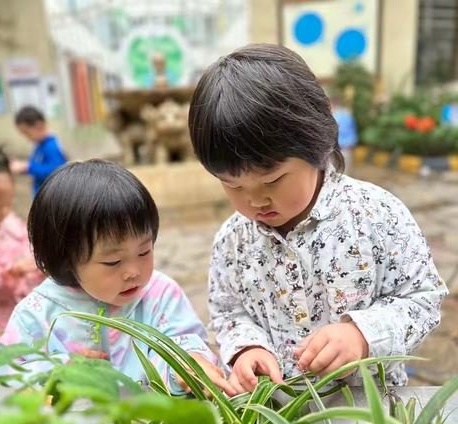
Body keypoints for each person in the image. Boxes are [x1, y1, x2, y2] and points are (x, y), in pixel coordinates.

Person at [188, 44, 448, 394]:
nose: (255, 199)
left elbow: (422, 298)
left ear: (317, 141)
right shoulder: (232, 241)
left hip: (370, 417)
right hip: (281, 418)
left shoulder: (375, 214)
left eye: (273, 180)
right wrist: (247, 348)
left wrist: (362, 334)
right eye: (232, 185)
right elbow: (229, 312)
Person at [0, 159, 235, 396]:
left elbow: (183, 339)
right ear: (66, 259)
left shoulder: (159, 294)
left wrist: (187, 364)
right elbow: (9, 375)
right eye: (113, 262)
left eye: (144, 251)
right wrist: (60, 370)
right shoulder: (38, 313)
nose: (134, 271)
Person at [0, 150, 42, 337]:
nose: (5, 211)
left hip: (26, 313)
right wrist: (9, 273)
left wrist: (40, 265)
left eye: (8, 203)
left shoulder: (11, 223)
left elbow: (31, 249)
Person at [11, 106, 67, 195]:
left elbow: (57, 172)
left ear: (39, 126)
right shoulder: (39, 146)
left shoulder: (51, 147)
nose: (27, 138)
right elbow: (37, 165)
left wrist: (28, 167)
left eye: (27, 133)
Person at [331, 93, 358, 174]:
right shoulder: (348, 115)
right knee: (344, 175)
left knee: (333, 175)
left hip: (335, 150)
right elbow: (353, 130)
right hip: (347, 148)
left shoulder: (333, 116)